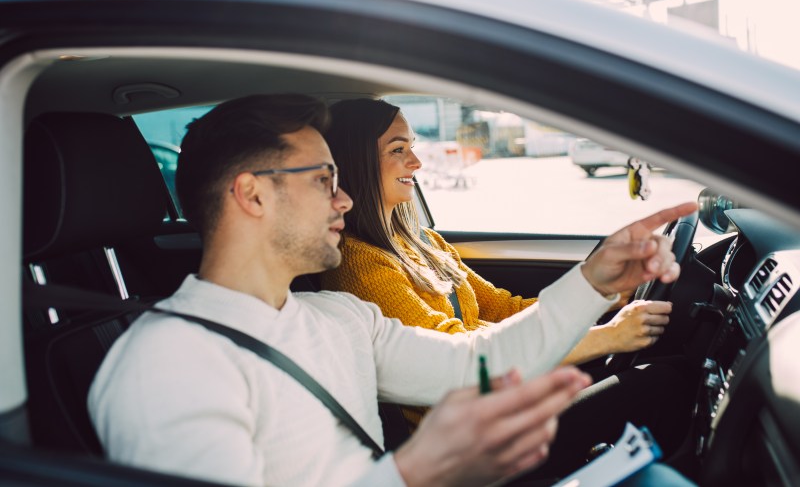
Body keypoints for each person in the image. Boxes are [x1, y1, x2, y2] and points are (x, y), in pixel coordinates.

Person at [88, 93, 695, 487]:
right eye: (324, 180)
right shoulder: (165, 364)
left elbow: (478, 361)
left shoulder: (340, 317)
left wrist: (592, 283)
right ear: (252, 195)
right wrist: (416, 471)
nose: (345, 198)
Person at [320, 98, 691, 474]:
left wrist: (608, 300)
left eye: (413, 147)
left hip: (512, 401)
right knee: (667, 383)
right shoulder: (360, 264)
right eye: (398, 150)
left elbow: (503, 308)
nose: (416, 162)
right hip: (476, 444)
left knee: (667, 373)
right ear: (357, 162)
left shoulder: (425, 243)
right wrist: (609, 336)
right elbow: (458, 361)